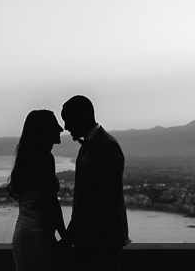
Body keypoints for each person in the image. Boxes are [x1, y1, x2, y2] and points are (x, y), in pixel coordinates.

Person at [61, 95, 129, 271]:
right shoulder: (88, 146)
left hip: (103, 241)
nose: (66, 127)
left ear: (82, 117)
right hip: (92, 239)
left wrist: (70, 235)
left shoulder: (107, 146)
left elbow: (100, 199)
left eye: (68, 121)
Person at [8, 109, 67, 271]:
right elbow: (51, 204)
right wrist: (66, 238)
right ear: (45, 130)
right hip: (38, 238)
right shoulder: (45, 159)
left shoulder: (28, 159)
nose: (61, 129)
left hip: (26, 234)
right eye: (55, 125)